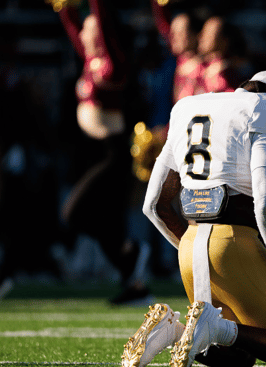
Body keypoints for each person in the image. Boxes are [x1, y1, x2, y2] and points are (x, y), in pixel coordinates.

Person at [122, 71, 266, 367]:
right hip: (234, 245)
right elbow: (264, 200)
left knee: (239, 356)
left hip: (189, 245)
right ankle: (211, 327)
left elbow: (154, 205)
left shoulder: (187, 106)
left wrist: (192, 244)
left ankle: (173, 330)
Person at [58, 0, 152, 305]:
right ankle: (134, 283)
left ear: (100, 34)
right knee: (106, 223)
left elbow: (106, 26)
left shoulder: (114, 63)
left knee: (74, 213)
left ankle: (131, 254)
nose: (83, 32)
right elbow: (73, 29)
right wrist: (64, 9)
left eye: (89, 27)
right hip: (94, 153)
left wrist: (97, 5)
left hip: (114, 154)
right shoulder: (90, 60)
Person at [150, 0, 203, 103]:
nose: (173, 38)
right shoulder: (171, 62)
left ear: (196, 35)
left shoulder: (206, 69)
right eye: (172, 33)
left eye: (180, 33)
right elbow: (161, 21)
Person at [196, 15, 248, 95]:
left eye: (209, 34)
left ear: (225, 40)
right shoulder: (201, 66)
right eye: (203, 32)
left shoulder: (225, 72)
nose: (202, 37)